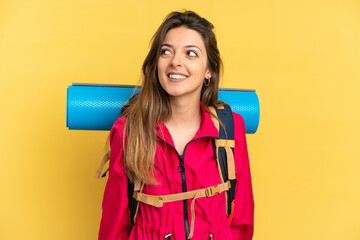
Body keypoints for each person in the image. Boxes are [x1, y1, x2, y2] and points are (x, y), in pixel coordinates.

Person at [98, 10, 254, 240]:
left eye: (190, 53)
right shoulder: (128, 132)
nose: (175, 62)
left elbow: (241, 221)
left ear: (208, 70)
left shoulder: (230, 128)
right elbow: (114, 227)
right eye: (166, 52)